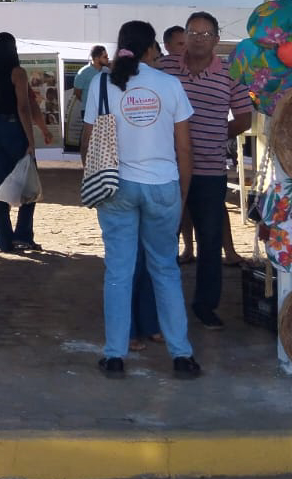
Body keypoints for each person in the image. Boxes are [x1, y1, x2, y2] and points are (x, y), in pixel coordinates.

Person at [83, 20, 200, 379]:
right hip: (162, 186)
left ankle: (115, 355)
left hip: (116, 186)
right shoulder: (169, 84)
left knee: (118, 272)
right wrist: (181, 196)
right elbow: (184, 148)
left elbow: (87, 145)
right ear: (151, 48)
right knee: (165, 270)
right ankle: (181, 356)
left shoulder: (101, 82)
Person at [158, 11, 252, 331]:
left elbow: (243, 118)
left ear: (216, 38)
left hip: (210, 170)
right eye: (192, 32)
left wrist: (216, 134)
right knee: (161, 238)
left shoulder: (230, 72)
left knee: (210, 240)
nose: (198, 38)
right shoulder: (166, 67)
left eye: (205, 33)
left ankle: (205, 305)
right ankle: (158, 306)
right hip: (166, 169)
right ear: (184, 35)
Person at [0, 32, 38, 253]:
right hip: (13, 129)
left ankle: (3, 239)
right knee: (28, 181)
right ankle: (23, 234)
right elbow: (23, 107)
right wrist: (30, 140)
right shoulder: (17, 73)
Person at [73, 45, 110, 109]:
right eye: (105, 57)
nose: (108, 59)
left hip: (104, 110)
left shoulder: (107, 71)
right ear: (96, 58)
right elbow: (77, 92)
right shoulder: (83, 72)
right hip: (87, 110)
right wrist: (88, 102)